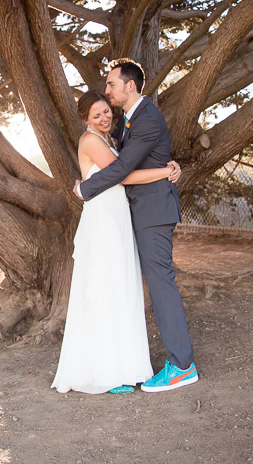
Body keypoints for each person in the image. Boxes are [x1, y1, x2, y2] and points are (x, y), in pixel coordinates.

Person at [74, 59, 198, 393]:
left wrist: (85, 188)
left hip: (153, 212)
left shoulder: (147, 119)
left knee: (160, 283)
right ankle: (136, 362)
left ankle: (183, 366)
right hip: (135, 214)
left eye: (112, 84)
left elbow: (123, 168)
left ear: (130, 86)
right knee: (145, 285)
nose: (109, 90)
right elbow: (115, 160)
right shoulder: (126, 122)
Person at [52, 90, 182, 395]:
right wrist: (167, 171)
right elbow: (123, 175)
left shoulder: (112, 138)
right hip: (103, 222)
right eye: (96, 115)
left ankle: (124, 366)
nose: (104, 118)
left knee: (120, 289)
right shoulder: (91, 141)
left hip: (118, 218)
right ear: (85, 119)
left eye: (106, 112)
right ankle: (105, 373)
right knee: (104, 290)